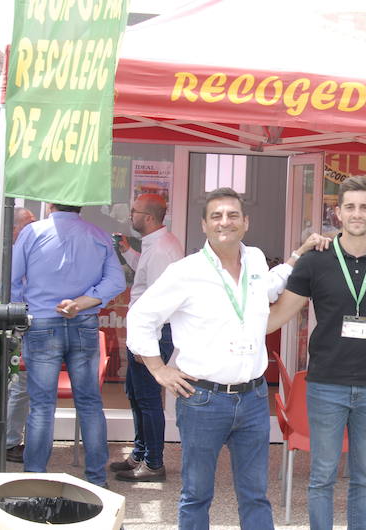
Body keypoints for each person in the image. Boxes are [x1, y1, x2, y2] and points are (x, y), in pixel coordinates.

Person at [127, 187, 311, 529]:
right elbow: (141, 317)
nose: (224, 222)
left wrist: (299, 256)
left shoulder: (255, 258)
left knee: (256, 494)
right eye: (216, 216)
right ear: (204, 225)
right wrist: (157, 368)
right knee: (196, 494)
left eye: (232, 215)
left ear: (245, 222)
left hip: (254, 398)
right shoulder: (186, 271)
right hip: (202, 400)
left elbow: (268, 287)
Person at [267, 175, 366, 530]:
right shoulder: (315, 261)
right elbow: (276, 318)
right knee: (321, 477)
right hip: (325, 385)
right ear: (337, 213)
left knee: (365, 478)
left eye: (365, 207)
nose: (357, 213)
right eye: (349, 206)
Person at [11, 203, 126, 487]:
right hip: (84, 323)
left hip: (41, 322)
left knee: (41, 406)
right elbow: (117, 280)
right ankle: (97, 479)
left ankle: (35, 477)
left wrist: (25, 307)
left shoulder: (32, 232)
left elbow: (11, 281)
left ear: (50, 204)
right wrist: (85, 299)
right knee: (89, 404)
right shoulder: (99, 235)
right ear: (81, 204)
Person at [108, 194, 183, 481]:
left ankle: (153, 464)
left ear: (149, 218)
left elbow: (160, 301)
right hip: (146, 332)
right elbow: (145, 269)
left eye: (134, 211)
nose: (130, 215)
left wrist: (146, 344)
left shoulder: (163, 249)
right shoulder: (156, 245)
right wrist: (127, 251)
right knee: (137, 396)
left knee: (148, 400)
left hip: (152, 333)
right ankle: (140, 454)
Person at [5, 207, 36, 463]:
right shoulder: (13, 253)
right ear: (15, 228)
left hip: (16, 325)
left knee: (17, 385)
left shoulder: (22, 251)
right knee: (19, 385)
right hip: (15, 326)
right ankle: (9, 442)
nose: (35, 229)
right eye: (30, 224)